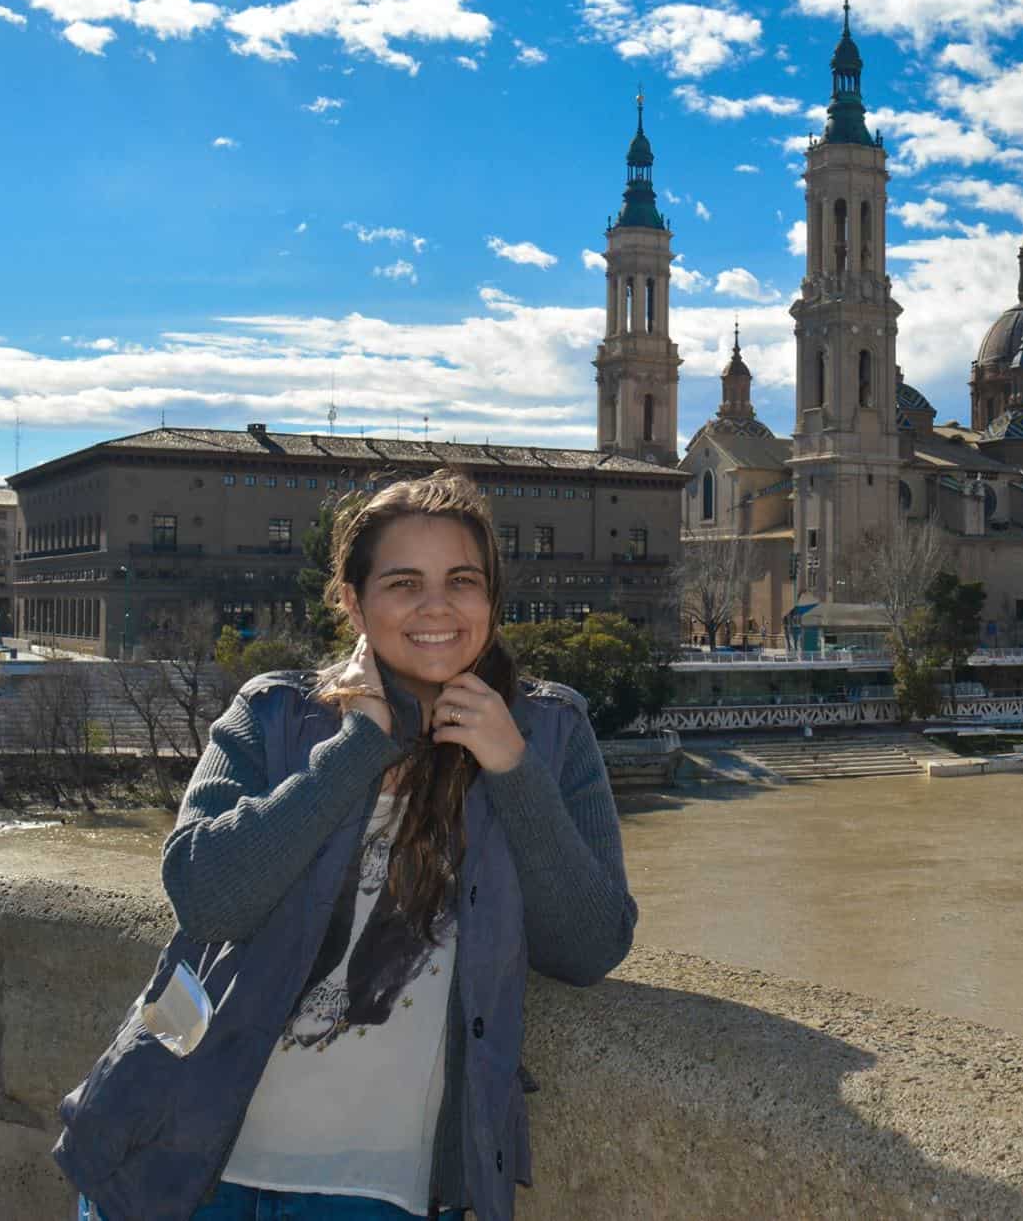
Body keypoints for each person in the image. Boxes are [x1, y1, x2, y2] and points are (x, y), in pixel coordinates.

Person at [53, 469, 637, 1220]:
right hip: (177, 1153)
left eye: (462, 579)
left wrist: (513, 768)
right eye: (404, 582)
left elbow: (590, 945)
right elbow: (206, 894)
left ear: (492, 597)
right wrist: (356, 748)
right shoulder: (275, 713)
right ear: (354, 600)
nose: (437, 605)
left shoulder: (551, 733)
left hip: (375, 1192)